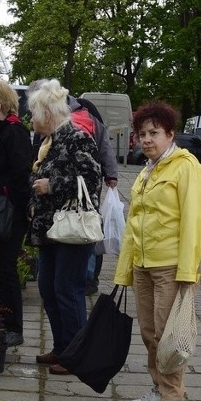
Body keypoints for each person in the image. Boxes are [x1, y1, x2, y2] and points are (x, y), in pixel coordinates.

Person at [114, 101, 201, 401]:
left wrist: (188, 271)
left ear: (170, 134)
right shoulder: (147, 170)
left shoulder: (186, 167)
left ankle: (173, 400)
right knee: (150, 332)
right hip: (144, 264)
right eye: (142, 134)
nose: (146, 139)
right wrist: (127, 266)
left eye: (154, 133)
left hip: (170, 264)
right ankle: (158, 388)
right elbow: (135, 222)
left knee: (168, 336)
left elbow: (194, 220)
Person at [27, 79, 103, 370]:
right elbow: (39, 178)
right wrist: (33, 202)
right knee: (48, 287)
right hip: (50, 229)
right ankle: (62, 347)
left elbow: (92, 180)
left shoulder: (76, 137)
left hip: (72, 228)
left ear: (47, 112)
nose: (32, 119)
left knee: (67, 289)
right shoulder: (50, 141)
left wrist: (52, 185)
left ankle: (76, 353)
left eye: (34, 113)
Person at [0, 81, 33, 347]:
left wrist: (17, 207)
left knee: (6, 267)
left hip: (10, 212)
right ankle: (3, 322)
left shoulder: (14, 133)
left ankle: (14, 327)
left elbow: (22, 175)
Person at [68, 93, 119, 293]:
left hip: (67, 182)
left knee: (70, 226)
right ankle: (89, 278)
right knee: (91, 227)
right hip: (92, 183)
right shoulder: (94, 120)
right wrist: (111, 175)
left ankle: (74, 274)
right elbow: (106, 148)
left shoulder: (67, 117)